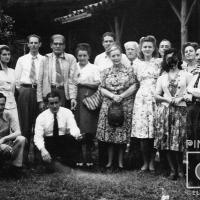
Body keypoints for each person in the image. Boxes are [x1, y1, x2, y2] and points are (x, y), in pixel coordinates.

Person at [96, 43, 138, 170]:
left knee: (121, 134)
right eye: (113, 56)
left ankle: (120, 162)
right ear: (109, 57)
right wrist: (112, 96)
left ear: (121, 55)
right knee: (109, 134)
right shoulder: (105, 72)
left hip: (124, 105)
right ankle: (109, 162)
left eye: (118, 55)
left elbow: (134, 86)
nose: (116, 58)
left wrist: (122, 96)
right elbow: (101, 88)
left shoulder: (129, 70)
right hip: (109, 105)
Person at [155, 48, 192, 180]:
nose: (172, 60)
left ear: (178, 59)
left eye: (173, 57)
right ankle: (172, 170)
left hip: (181, 111)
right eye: (168, 58)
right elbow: (156, 96)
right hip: (166, 112)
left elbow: (191, 92)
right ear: (165, 60)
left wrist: (181, 98)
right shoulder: (162, 77)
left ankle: (181, 170)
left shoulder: (186, 75)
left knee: (179, 141)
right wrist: (166, 99)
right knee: (168, 142)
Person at [131, 35, 160, 172]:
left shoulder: (159, 62)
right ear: (141, 49)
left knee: (153, 130)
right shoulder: (136, 63)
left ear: (154, 48)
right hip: (141, 99)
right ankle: (145, 162)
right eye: (145, 47)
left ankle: (153, 161)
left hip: (155, 97)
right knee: (143, 132)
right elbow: (134, 82)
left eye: (150, 46)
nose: (147, 49)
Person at [15, 34, 44, 164]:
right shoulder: (22, 59)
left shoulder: (44, 59)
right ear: (28, 44)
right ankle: (24, 159)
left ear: (40, 44)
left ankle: (38, 158)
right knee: (25, 126)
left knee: (39, 124)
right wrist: (22, 91)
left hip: (39, 92)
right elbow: (16, 80)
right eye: (31, 43)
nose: (33, 45)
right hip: (25, 91)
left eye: (35, 43)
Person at [34, 91, 81, 172]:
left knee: (72, 138)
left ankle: (67, 163)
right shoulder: (41, 117)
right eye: (51, 103)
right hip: (48, 142)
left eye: (56, 103)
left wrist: (77, 134)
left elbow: (73, 127)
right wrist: (43, 150)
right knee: (46, 165)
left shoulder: (67, 112)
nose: (54, 106)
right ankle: (50, 163)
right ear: (47, 104)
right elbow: (38, 137)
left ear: (60, 102)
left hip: (62, 140)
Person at [74, 43, 100, 167]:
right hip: (76, 98)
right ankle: (79, 156)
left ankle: (89, 157)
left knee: (88, 127)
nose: (82, 58)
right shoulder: (74, 67)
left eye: (84, 55)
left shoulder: (94, 68)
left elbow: (97, 84)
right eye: (80, 55)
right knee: (77, 127)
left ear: (89, 56)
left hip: (88, 98)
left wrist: (83, 82)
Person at [37, 34, 79, 111]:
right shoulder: (45, 59)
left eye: (60, 44)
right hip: (49, 92)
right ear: (51, 45)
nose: (58, 46)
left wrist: (73, 98)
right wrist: (40, 100)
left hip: (63, 92)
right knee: (49, 119)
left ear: (64, 46)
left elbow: (72, 80)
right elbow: (40, 80)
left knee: (62, 118)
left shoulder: (71, 59)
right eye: (55, 44)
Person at [0, 93, 26, 178]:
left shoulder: (8, 114)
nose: (0, 107)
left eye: (2, 104)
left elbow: (18, 132)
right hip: (1, 146)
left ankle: (15, 169)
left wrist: (4, 139)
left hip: (5, 145)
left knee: (21, 139)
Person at [185, 46, 200, 185]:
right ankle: (194, 176)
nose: (199, 57)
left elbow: (193, 91)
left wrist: (191, 91)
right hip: (194, 111)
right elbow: (186, 92)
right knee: (193, 141)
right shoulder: (195, 75)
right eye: (197, 55)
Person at [0, 45, 19, 124]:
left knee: (15, 127)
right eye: (4, 54)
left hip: (12, 104)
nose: (7, 56)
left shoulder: (12, 71)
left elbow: (14, 90)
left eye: (8, 54)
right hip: (1, 105)